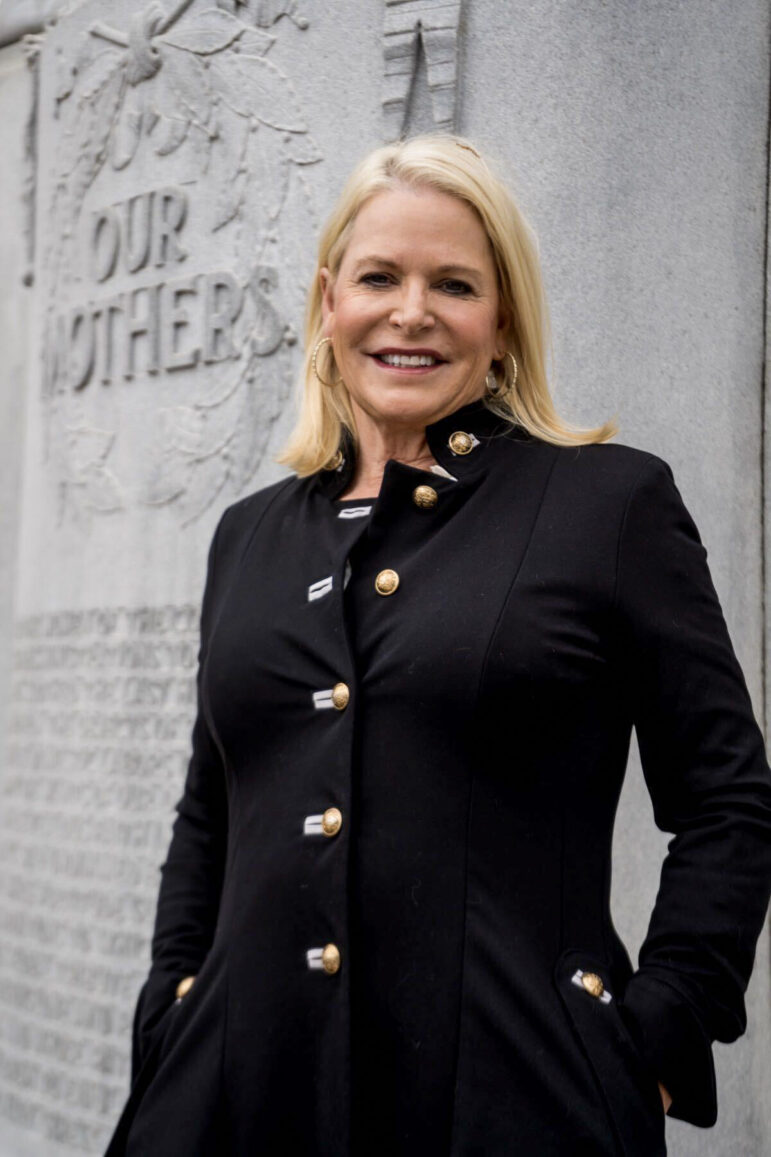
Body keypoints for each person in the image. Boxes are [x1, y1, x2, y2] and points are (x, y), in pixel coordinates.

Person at [105, 135, 771, 1157]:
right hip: (234, 1092)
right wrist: (170, 1005)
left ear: (501, 320)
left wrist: (665, 1018)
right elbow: (213, 806)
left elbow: (728, 795)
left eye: (453, 283)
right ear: (330, 301)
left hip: (512, 1098)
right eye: (379, 277)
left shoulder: (609, 504)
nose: (410, 312)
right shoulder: (249, 532)